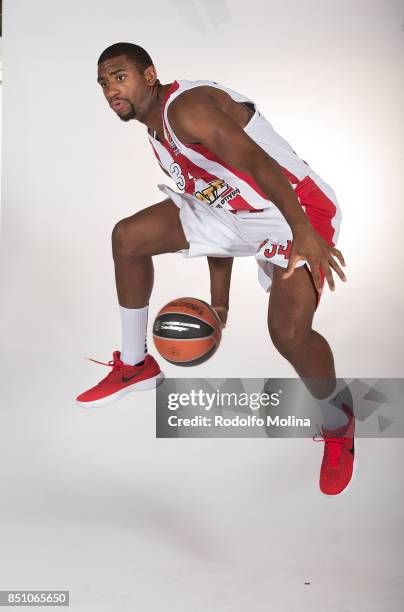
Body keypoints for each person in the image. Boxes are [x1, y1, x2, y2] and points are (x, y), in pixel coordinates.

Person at [77, 42, 354, 495]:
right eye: (103, 82)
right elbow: (215, 202)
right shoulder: (157, 134)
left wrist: (302, 228)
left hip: (295, 207)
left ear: (149, 75)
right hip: (240, 213)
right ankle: (134, 365)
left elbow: (256, 162)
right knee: (128, 238)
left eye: (119, 75)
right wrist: (219, 300)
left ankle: (338, 421)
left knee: (288, 332)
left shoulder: (187, 108)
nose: (111, 88)